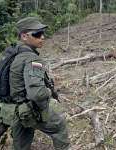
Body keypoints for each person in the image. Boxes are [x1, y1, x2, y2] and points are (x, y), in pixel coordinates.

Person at [10, 17, 70, 150]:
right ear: (24, 36)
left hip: (14, 107)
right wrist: (48, 91)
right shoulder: (32, 59)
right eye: (37, 34)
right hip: (28, 109)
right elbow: (36, 94)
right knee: (59, 126)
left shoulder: (13, 53)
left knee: (21, 142)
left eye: (42, 33)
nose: (42, 37)